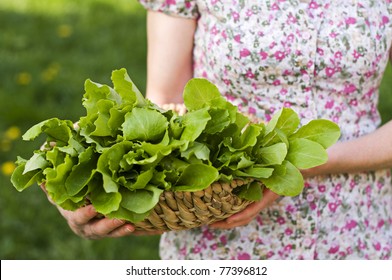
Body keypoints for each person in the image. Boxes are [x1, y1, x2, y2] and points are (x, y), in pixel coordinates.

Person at [51, 1, 392, 259]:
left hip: (357, 225)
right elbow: (166, 105)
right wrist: (104, 198)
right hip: (220, 223)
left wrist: (303, 164)